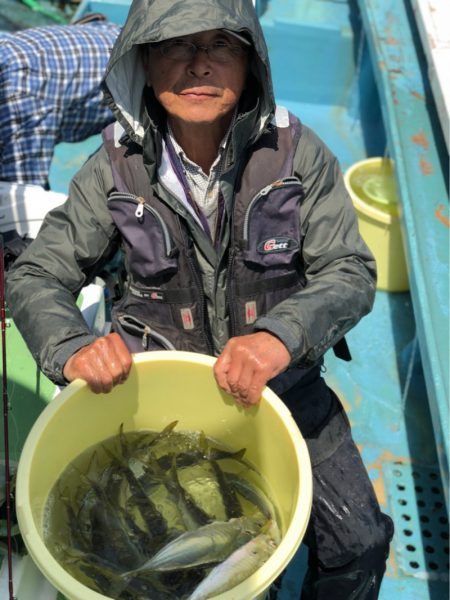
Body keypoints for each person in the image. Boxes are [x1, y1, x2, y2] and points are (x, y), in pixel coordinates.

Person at [6, 0, 394, 597]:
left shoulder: (299, 153)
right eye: (176, 46)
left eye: (221, 46)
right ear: (144, 61)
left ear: (252, 62)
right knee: (118, 551)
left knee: (360, 543)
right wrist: (73, 347)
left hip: (281, 384)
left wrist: (280, 335)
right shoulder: (112, 166)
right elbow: (37, 274)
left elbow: (348, 270)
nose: (198, 67)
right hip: (148, 391)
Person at [0, 15, 120, 188]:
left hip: (144, 87)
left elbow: (25, 191)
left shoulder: (21, 98)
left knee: (98, 188)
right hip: (111, 35)